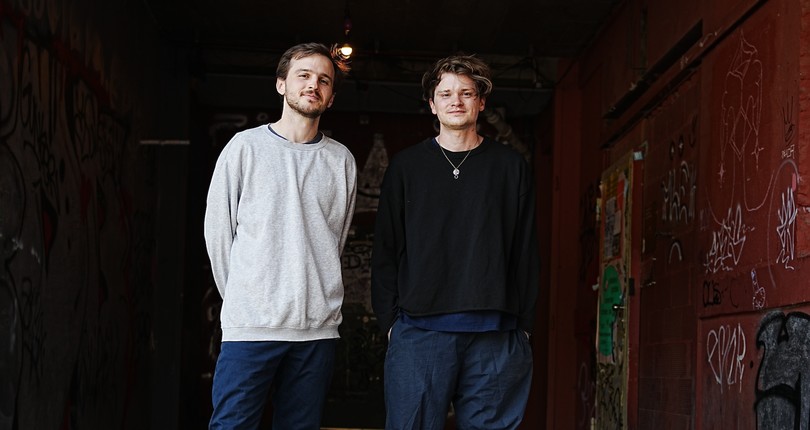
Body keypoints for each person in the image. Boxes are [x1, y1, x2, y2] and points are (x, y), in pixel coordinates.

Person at [371, 54, 539, 430]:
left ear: (481, 102)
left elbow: (525, 251)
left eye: (466, 93)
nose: (456, 101)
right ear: (432, 104)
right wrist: (391, 323)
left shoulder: (510, 167)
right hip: (419, 330)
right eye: (445, 94)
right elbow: (386, 249)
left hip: (496, 333)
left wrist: (524, 326)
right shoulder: (406, 167)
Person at [204, 42, 357, 429]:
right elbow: (218, 234)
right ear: (281, 84)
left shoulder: (341, 160)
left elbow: (333, 240)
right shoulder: (245, 148)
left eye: (323, 80)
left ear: (331, 97)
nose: (313, 85)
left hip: (317, 330)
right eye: (303, 75)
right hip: (251, 327)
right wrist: (246, 299)